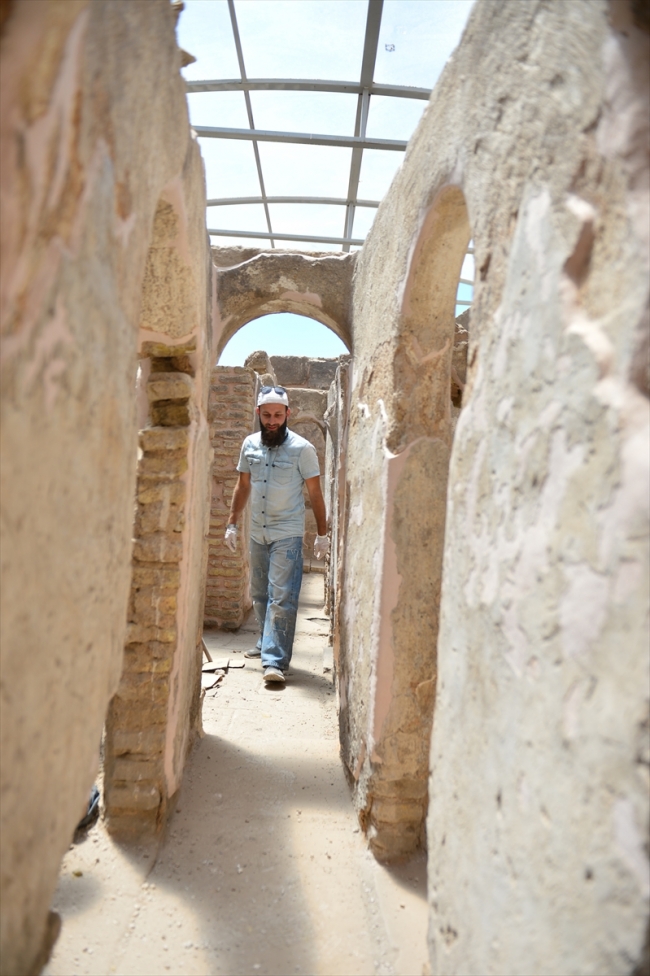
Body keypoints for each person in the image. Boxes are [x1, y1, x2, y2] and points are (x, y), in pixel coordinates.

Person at [224, 385, 330, 684]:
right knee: (259, 592)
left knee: (281, 597)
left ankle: (275, 663)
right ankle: (264, 640)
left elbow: (315, 494)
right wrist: (232, 523)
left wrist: (322, 535)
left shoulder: (302, 449)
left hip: (287, 532)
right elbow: (242, 486)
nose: (272, 421)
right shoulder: (249, 445)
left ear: (288, 414)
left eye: (278, 415)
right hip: (258, 531)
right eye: (267, 415)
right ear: (258, 413)